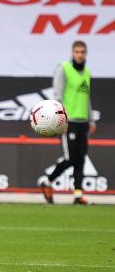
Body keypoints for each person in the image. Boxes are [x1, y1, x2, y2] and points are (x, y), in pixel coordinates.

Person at [39, 41, 95, 205]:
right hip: (69, 122)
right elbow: (57, 95)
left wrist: (91, 119)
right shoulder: (64, 68)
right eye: (77, 51)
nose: (80, 54)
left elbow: (87, 98)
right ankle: (48, 181)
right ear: (72, 53)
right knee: (70, 158)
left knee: (81, 159)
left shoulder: (87, 73)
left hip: (83, 121)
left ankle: (78, 195)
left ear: (86, 54)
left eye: (82, 52)